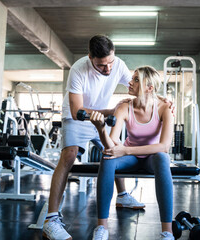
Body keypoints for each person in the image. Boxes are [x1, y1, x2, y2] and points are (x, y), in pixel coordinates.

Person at [42, 35, 145, 240]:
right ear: (90, 57)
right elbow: (76, 110)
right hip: (77, 118)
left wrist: (162, 101)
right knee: (69, 156)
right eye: (101, 65)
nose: (107, 70)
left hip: (101, 115)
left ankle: (123, 196)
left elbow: (139, 88)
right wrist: (111, 111)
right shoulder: (78, 69)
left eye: (110, 63)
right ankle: (51, 220)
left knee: (113, 151)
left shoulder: (119, 65)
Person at [90, 66, 175, 240]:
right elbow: (111, 145)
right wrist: (101, 130)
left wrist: (126, 149)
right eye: (132, 78)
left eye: (136, 79)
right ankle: (101, 228)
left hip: (152, 158)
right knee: (107, 157)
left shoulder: (164, 108)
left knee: (162, 157)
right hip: (131, 159)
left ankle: (167, 232)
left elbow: (164, 146)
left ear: (149, 87)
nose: (130, 82)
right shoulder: (124, 107)